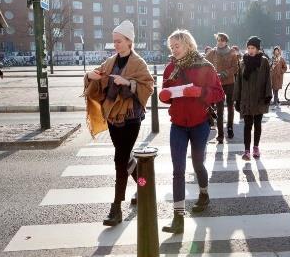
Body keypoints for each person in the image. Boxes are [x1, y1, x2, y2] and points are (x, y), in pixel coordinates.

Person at [84, 20, 154, 226]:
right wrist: (89, 75)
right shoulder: (110, 61)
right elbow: (97, 77)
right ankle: (144, 187)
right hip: (113, 118)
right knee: (126, 159)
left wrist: (129, 83)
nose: (116, 45)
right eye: (114, 41)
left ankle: (116, 208)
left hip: (131, 118)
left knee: (120, 160)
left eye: (120, 41)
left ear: (129, 41)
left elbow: (148, 86)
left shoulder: (139, 63)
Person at [158, 29, 224, 234]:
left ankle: (203, 194)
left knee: (197, 164)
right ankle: (178, 217)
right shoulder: (170, 68)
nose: (174, 50)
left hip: (199, 123)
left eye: (177, 46)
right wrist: (164, 95)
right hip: (178, 124)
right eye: (171, 47)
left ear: (188, 44)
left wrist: (200, 92)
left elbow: (219, 94)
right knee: (177, 169)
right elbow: (166, 93)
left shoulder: (205, 66)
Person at [234, 36, 272, 160]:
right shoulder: (242, 62)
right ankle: (246, 151)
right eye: (249, 48)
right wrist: (237, 99)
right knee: (247, 125)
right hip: (246, 99)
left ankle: (255, 147)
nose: (250, 50)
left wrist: (268, 95)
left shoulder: (264, 61)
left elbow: (268, 79)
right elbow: (238, 81)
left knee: (258, 124)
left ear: (257, 49)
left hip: (260, 99)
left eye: (253, 48)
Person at [206, 33, 239, 143]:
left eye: (222, 40)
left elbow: (235, 68)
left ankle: (229, 128)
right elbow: (205, 64)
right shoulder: (212, 53)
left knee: (230, 106)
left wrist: (224, 73)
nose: (220, 42)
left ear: (226, 42)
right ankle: (220, 134)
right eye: (218, 40)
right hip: (218, 84)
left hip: (230, 83)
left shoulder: (232, 53)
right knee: (219, 109)